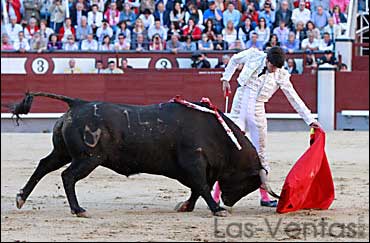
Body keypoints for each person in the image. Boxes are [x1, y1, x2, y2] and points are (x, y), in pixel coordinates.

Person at [219, 46, 321, 207]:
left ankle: (264, 197)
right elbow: (234, 59)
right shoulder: (253, 55)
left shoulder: (280, 74)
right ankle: (216, 195)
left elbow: (294, 98)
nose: (273, 70)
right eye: (272, 66)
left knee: (260, 152)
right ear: (267, 60)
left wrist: (309, 119)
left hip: (258, 108)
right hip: (240, 104)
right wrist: (226, 78)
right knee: (231, 148)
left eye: (276, 67)